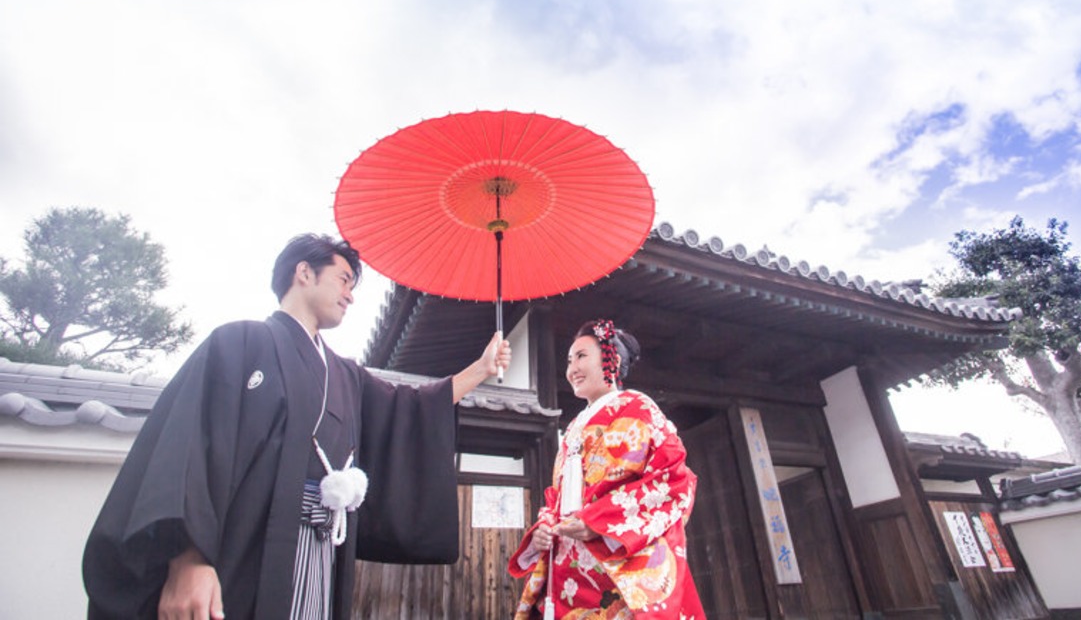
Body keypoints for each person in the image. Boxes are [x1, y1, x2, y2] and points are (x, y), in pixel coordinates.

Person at [83, 234, 510, 620]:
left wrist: (480, 369)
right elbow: (188, 452)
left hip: (320, 550)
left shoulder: (345, 375)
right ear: (303, 273)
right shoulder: (238, 344)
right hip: (239, 552)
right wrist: (188, 559)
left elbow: (409, 408)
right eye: (343, 280)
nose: (350, 295)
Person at [508, 319, 705, 619]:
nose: (572, 367)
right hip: (569, 571)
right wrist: (544, 531)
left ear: (610, 359)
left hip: (615, 564)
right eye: (569, 360)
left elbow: (672, 480)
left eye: (581, 356)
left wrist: (598, 523)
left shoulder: (638, 407)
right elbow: (556, 498)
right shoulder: (573, 427)